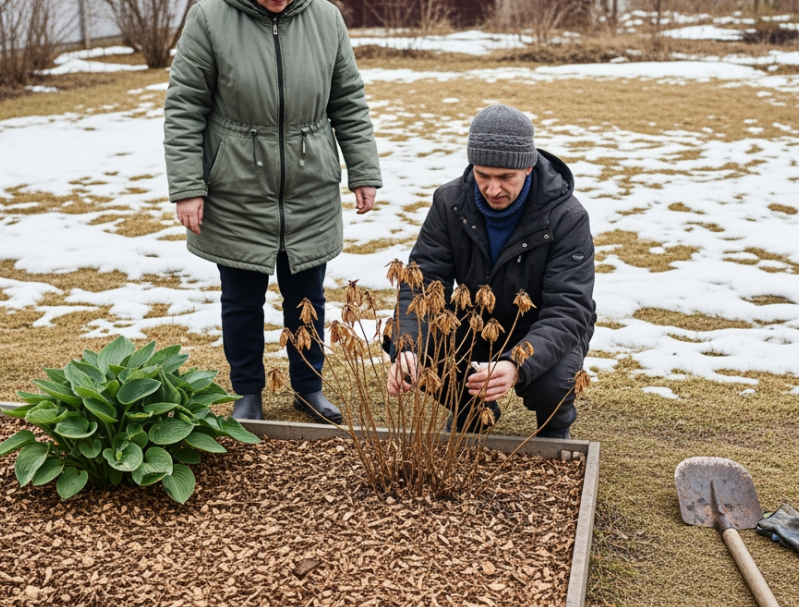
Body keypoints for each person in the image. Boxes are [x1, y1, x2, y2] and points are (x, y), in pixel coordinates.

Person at [164, 0, 382, 424]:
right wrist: (189, 187)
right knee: (241, 299)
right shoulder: (210, 18)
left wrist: (363, 171)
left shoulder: (326, 17)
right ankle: (248, 391)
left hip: (309, 184)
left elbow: (349, 102)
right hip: (237, 185)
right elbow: (185, 108)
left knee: (307, 297)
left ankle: (309, 386)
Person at [386, 105, 596, 440]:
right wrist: (406, 349)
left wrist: (515, 363)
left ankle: (555, 425)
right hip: (473, 320)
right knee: (404, 335)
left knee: (552, 384)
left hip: (542, 326)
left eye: (505, 177)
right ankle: (471, 411)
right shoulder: (449, 202)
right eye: (483, 175)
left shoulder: (567, 216)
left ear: (527, 167)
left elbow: (569, 308)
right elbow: (422, 283)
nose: (493, 189)